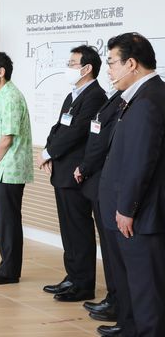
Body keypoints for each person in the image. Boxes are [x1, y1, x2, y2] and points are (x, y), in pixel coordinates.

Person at [98, 32, 165, 337]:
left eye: (111, 62)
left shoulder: (149, 100)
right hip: (127, 210)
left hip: (139, 215)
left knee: (145, 288)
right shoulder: (138, 97)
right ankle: (130, 328)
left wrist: (127, 208)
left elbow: (140, 161)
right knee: (132, 284)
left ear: (132, 64)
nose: (108, 70)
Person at [37, 45, 106, 302]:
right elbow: (59, 126)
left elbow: (76, 132)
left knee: (79, 229)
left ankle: (83, 284)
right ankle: (72, 277)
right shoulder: (73, 95)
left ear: (87, 68)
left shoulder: (95, 96)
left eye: (72, 63)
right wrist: (47, 150)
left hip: (76, 173)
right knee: (68, 228)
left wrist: (48, 154)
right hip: (62, 170)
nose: (68, 67)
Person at [0, 52, 33, 285]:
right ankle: (6, 265)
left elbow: (7, 138)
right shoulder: (4, 95)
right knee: (4, 220)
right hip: (4, 167)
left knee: (8, 221)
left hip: (9, 169)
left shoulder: (10, 96)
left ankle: (10, 271)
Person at [74, 87, 123, 323]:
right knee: (108, 247)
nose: (111, 69)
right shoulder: (115, 96)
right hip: (98, 179)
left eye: (114, 63)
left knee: (113, 248)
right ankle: (114, 297)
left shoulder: (125, 98)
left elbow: (102, 140)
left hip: (104, 177)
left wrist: (84, 167)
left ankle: (118, 301)